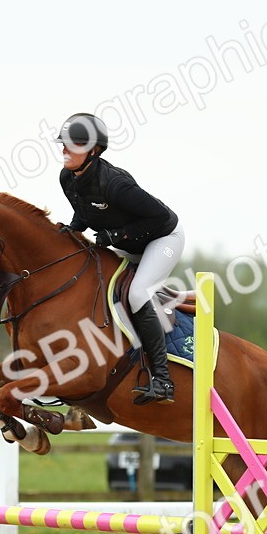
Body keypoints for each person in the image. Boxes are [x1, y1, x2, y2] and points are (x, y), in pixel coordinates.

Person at [56, 112, 184, 405]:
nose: (65, 150)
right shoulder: (67, 178)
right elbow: (85, 209)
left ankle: (163, 380)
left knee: (138, 294)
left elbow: (160, 217)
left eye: (73, 145)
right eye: (64, 144)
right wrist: (74, 228)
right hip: (128, 246)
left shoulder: (115, 184)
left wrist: (117, 235)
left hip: (163, 240)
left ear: (94, 151)